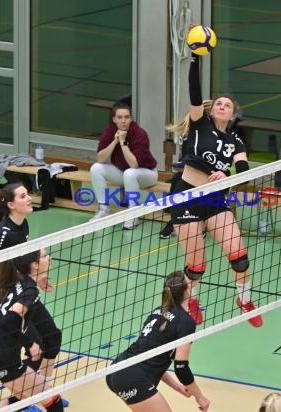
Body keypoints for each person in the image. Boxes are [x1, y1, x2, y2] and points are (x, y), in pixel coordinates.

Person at [165, 48, 262, 328]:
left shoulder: (235, 141)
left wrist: (227, 172)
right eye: (218, 103)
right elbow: (194, 92)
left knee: (239, 257)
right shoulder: (199, 124)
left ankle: (244, 299)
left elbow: (243, 170)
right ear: (212, 109)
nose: (221, 106)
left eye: (227, 105)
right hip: (185, 197)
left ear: (232, 114)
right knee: (197, 266)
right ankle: (191, 300)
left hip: (215, 202)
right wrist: (195, 56)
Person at [106, 271, 210, 412]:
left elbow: (154, 358)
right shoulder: (186, 321)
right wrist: (200, 397)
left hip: (118, 369)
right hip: (132, 377)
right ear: (187, 290)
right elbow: (181, 367)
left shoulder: (158, 311)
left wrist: (177, 386)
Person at [0, 249, 64, 411]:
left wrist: (38, 278)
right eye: (45, 256)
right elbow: (9, 321)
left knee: (20, 398)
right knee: (53, 400)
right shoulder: (29, 291)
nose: (49, 258)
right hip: (3, 357)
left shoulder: (18, 280)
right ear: (34, 265)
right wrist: (30, 343)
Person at [89, 102, 158, 229]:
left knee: (130, 173)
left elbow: (134, 164)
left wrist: (122, 142)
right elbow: (101, 158)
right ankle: (104, 210)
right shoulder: (109, 131)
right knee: (96, 168)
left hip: (146, 174)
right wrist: (115, 141)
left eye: (127, 117)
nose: (123, 121)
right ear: (114, 119)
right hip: (123, 172)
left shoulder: (139, 133)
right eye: (120, 117)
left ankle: (133, 215)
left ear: (131, 119)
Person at [0, 182, 34, 315]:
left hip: (18, 287)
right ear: (11, 205)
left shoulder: (23, 223)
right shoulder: (4, 234)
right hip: (1, 293)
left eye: (28, 194)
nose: (29, 198)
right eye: (23, 196)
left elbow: (21, 262)